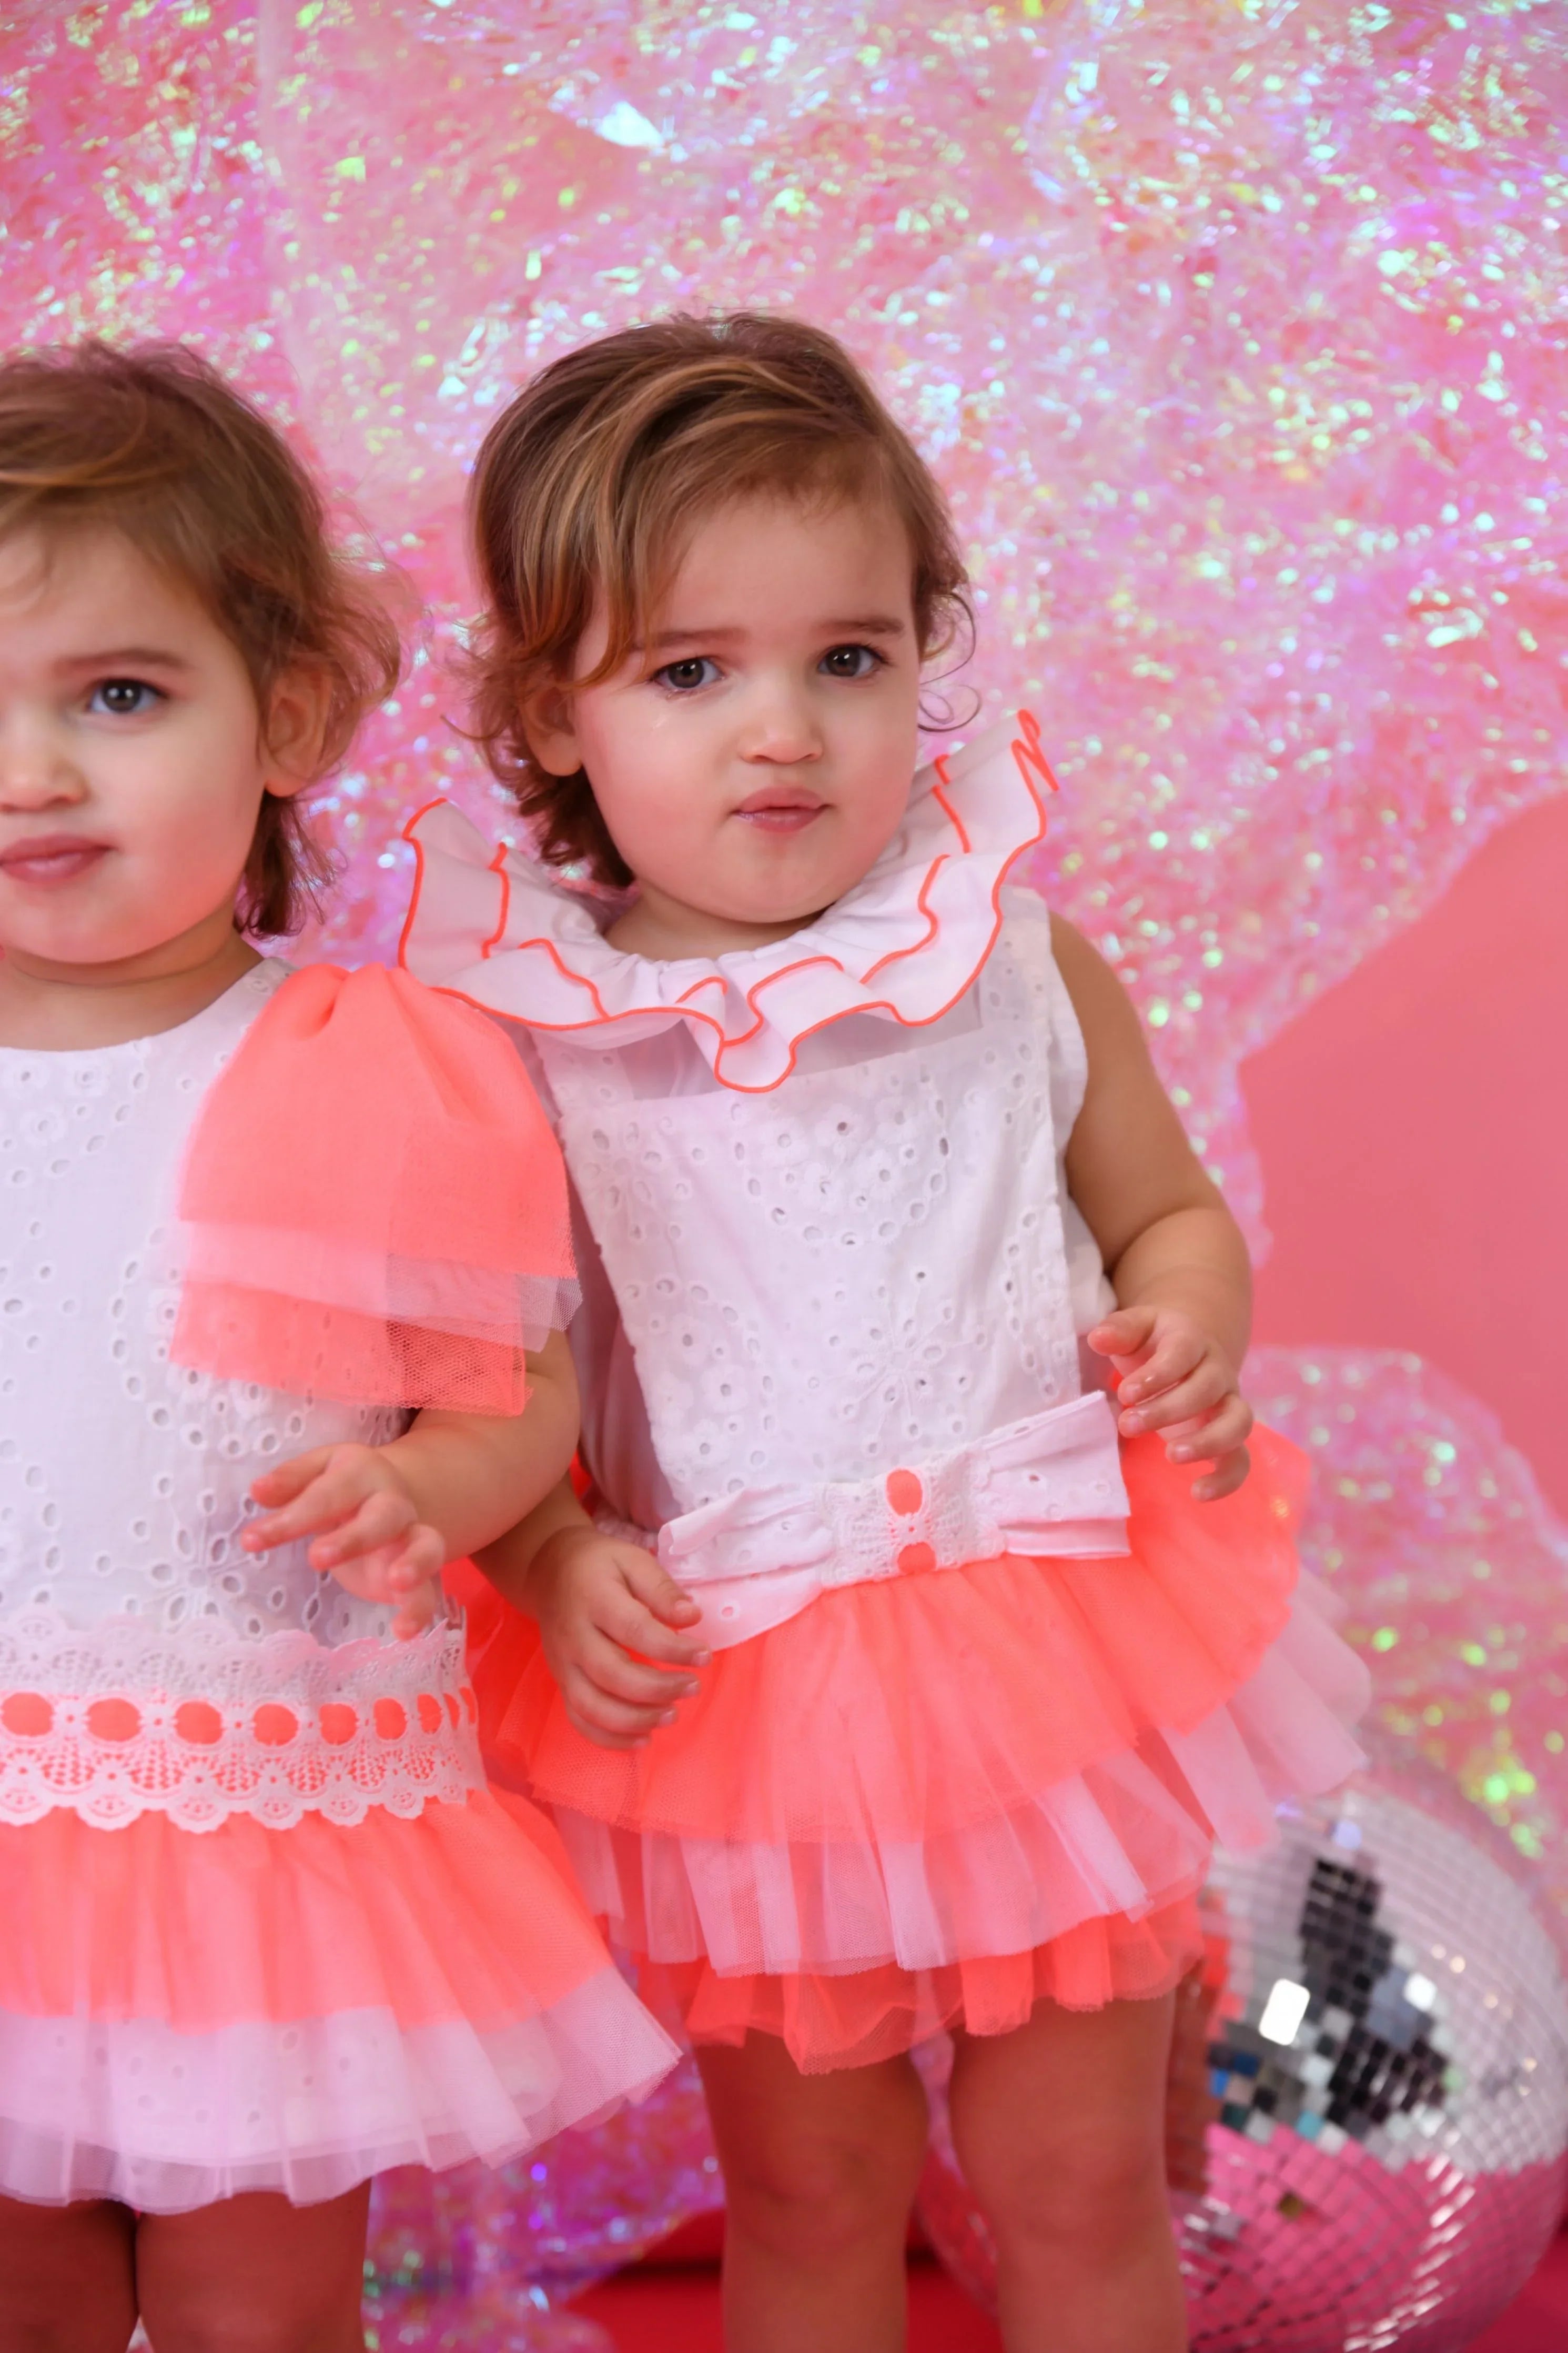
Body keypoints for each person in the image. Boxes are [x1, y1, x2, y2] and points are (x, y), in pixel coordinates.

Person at [401, 313, 1371, 2353]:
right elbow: (497, 1383)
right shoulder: (527, 1053)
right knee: (816, 2189)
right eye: (690, 670)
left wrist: (1186, 1323)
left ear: (924, 656)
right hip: (747, 1692)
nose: (783, 729)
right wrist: (547, 1547)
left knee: (1077, 2174)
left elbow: (1162, 1211)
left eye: (846, 657)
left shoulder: (1012, 965)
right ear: (548, 714)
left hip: (1045, 1644)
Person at [0, 341, 675, 2353]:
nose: (33, 772)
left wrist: (428, 1488)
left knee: (256, 2305)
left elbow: (513, 1394)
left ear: (285, 716)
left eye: (116, 697)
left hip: (264, 1793)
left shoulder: (375, 1060)